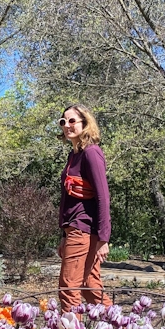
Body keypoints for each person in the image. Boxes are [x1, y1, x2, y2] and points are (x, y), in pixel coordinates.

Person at [57, 104, 112, 310]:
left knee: (68, 287)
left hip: (83, 229)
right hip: (73, 229)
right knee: (91, 287)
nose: (67, 125)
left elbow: (103, 197)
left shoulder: (91, 153)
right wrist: (64, 236)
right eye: (63, 122)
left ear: (85, 123)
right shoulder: (74, 155)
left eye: (72, 121)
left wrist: (103, 238)